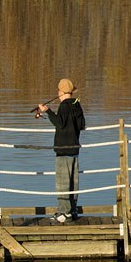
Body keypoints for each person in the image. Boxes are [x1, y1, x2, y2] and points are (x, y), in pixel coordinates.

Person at [38, 78, 86, 223]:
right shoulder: (77, 104)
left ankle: (64, 213)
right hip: (75, 149)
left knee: (63, 182)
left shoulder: (64, 106)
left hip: (63, 149)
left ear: (60, 92)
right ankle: (73, 210)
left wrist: (48, 111)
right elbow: (82, 125)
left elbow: (60, 123)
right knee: (73, 182)